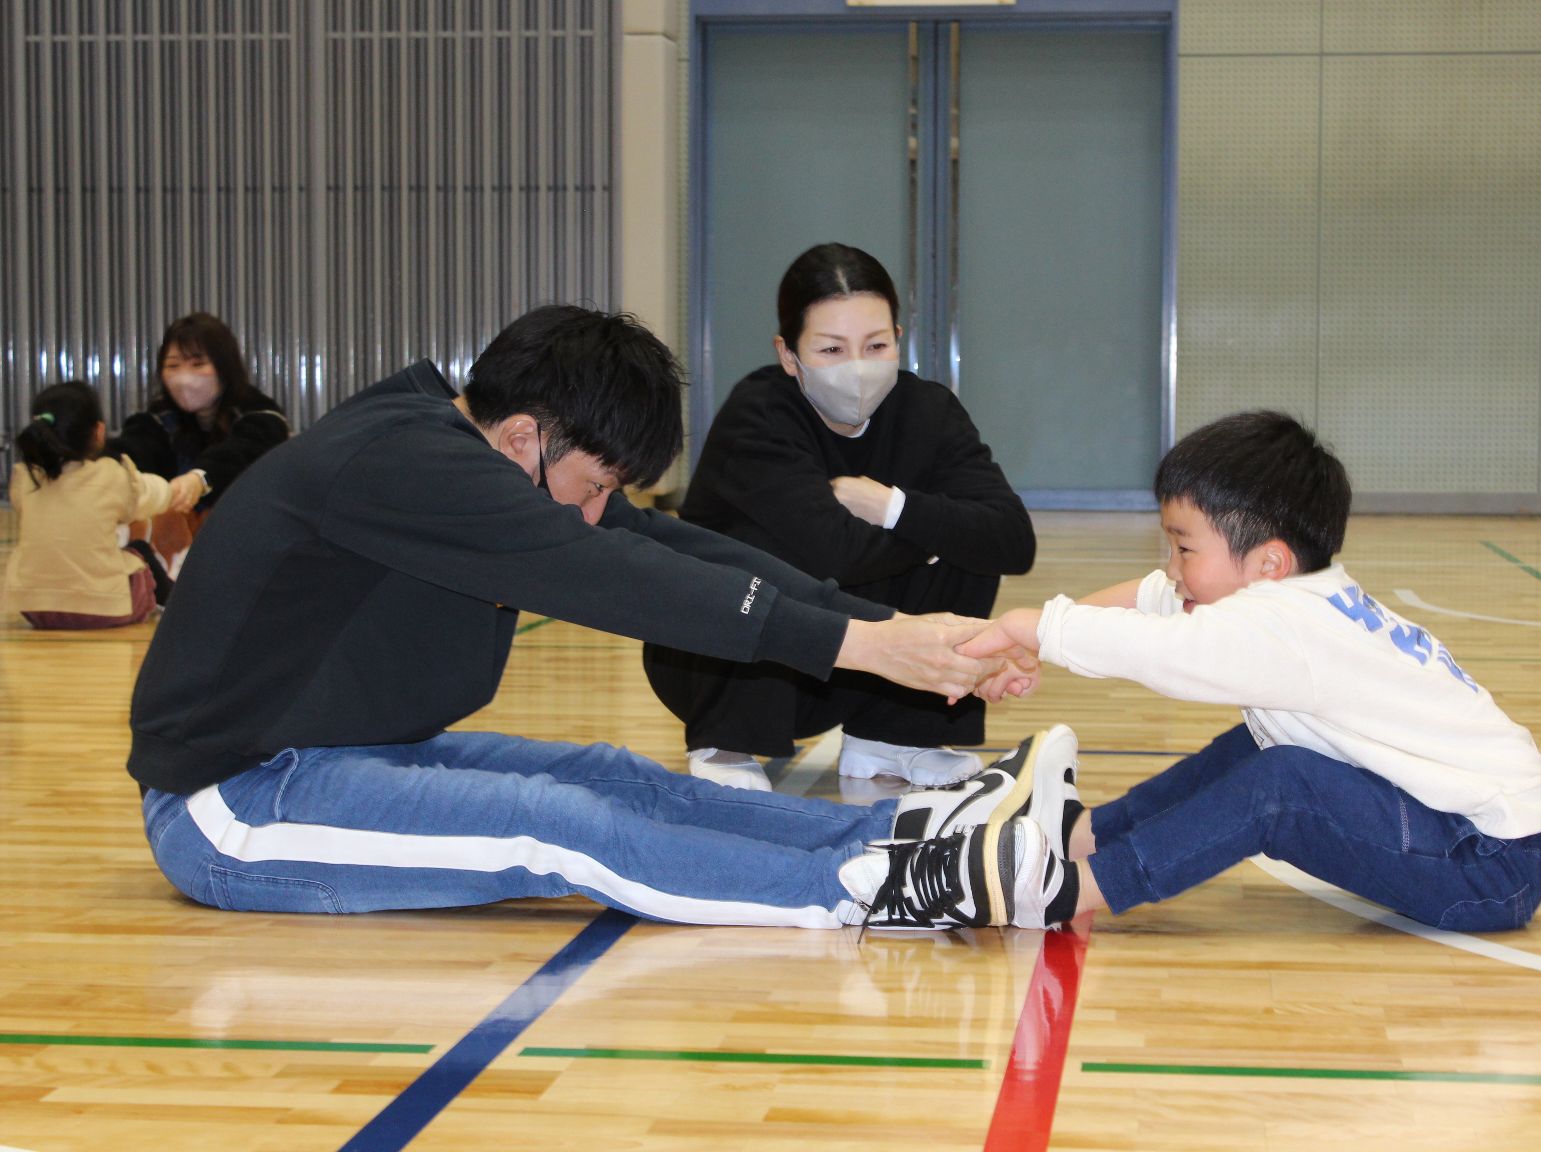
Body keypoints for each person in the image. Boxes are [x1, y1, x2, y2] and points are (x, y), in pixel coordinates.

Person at [127, 304, 1065, 931]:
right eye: (593, 486)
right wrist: (865, 646)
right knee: (557, 823)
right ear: (527, 438)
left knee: (611, 776)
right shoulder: (403, 464)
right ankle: (890, 891)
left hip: (344, 757)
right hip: (232, 806)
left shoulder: (480, 448)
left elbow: (680, 549)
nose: (592, 508)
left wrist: (897, 629)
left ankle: (910, 835)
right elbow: (610, 571)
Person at [959, 411, 1541, 932]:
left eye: (1184, 549)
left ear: (1269, 560)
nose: (1171, 567)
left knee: (1283, 783)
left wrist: (1032, 626)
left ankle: (1069, 890)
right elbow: (1148, 599)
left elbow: (1165, 653)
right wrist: (1032, 644)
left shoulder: (1289, 627)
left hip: (1487, 863)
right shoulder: (1304, 598)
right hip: (1462, 828)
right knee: (1262, 739)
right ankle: (1079, 836)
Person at [644, 243, 1036, 792]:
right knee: (763, 545)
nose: (857, 368)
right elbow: (833, 552)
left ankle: (893, 736)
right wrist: (931, 536)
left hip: (852, 674)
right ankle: (725, 740)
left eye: (875, 345)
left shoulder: (930, 410)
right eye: (831, 349)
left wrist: (895, 507)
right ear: (789, 355)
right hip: (723, 666)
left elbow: (1014, 541)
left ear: (899, 339)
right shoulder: (758, 415)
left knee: (963, 536)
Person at [107, 312, 289, 571]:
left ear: (224, 368)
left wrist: (199, 479)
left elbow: (241, 452)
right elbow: (135, 448)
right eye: (173, 366)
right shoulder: (157, 421)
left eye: (197, 364)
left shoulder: (261, 415)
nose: (184, 377)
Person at [4, 381, 176, 629]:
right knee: (139, 552)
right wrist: (172, 491)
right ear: (99, 432)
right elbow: (151, 498)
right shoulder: (113, 474)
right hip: (104, 608)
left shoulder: (25, 477)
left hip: (36, 607)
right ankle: (173, 602)